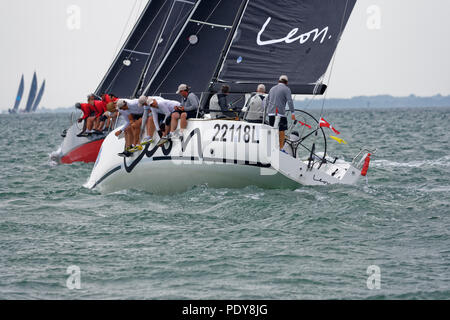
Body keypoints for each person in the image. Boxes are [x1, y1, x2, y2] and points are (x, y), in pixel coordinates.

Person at [266, 75, 296, 150]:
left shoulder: (272, 89)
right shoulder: (286, 89)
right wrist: (292, 113)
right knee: (281, 131)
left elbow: (267, 100)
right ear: (286, 82)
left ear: (278, 81)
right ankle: (281, 149)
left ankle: (272, 147)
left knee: (272, 130)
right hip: (279, 114)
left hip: (271, 114)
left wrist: (267, 111)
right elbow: (289, 101)